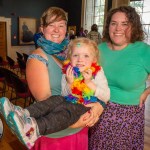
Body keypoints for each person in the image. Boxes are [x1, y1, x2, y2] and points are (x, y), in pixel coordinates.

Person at [9, 7, 103, 150]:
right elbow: (46, 104)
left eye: (61, 25)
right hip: (57, 134)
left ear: (66, 29)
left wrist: (98, 106)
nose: (56, 30)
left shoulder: (70, 55)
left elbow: (91, 85)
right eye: (51, 25)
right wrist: (77, 120)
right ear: (42, 28)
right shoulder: (38, 58)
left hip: (79, 128)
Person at [0, 37, 110, 149]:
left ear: (94, 59)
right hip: (71, 99)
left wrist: (89, 83)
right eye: (76, 55)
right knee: (55, 99)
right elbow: (65, 93)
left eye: (86, 56)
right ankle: (23, 113)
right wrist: (70, 82)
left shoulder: (97, 72)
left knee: (67, 109)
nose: (80, 59)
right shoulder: (68, 71)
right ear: (70, 58)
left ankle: (35, 129)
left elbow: (106, 95)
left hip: (86, 105)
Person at [88, 6, 150, 150]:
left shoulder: (143, 51)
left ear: (133, 27)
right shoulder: (99, 49)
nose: (118, 28)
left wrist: (147, 92)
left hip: (128, 118)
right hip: (98, 111)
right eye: (114, 23)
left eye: (124, 24)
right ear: (108, 25)